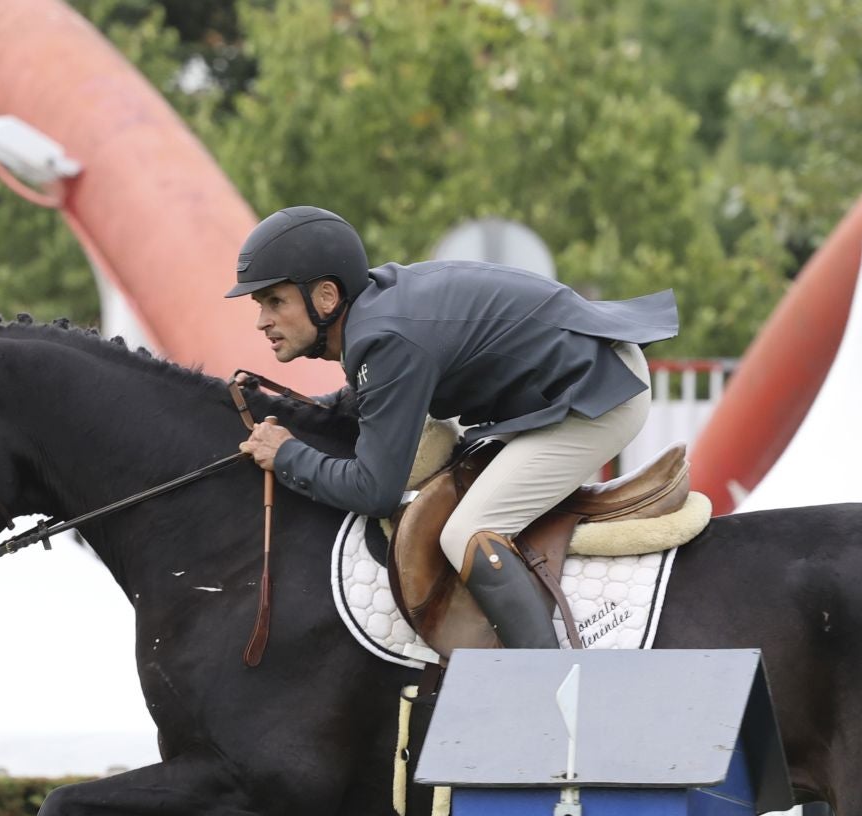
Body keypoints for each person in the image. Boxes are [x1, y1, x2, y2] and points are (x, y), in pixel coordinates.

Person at [229, 205, 677, 648]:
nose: (262, 320)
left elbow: (373, 491)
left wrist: (287, 454)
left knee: (469, 531)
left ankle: (544, 676)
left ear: (326, 297)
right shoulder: (375, 313)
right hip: (577, 378)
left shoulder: (385, 337)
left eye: (275, 301)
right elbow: (370, 399)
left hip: (601, 393)